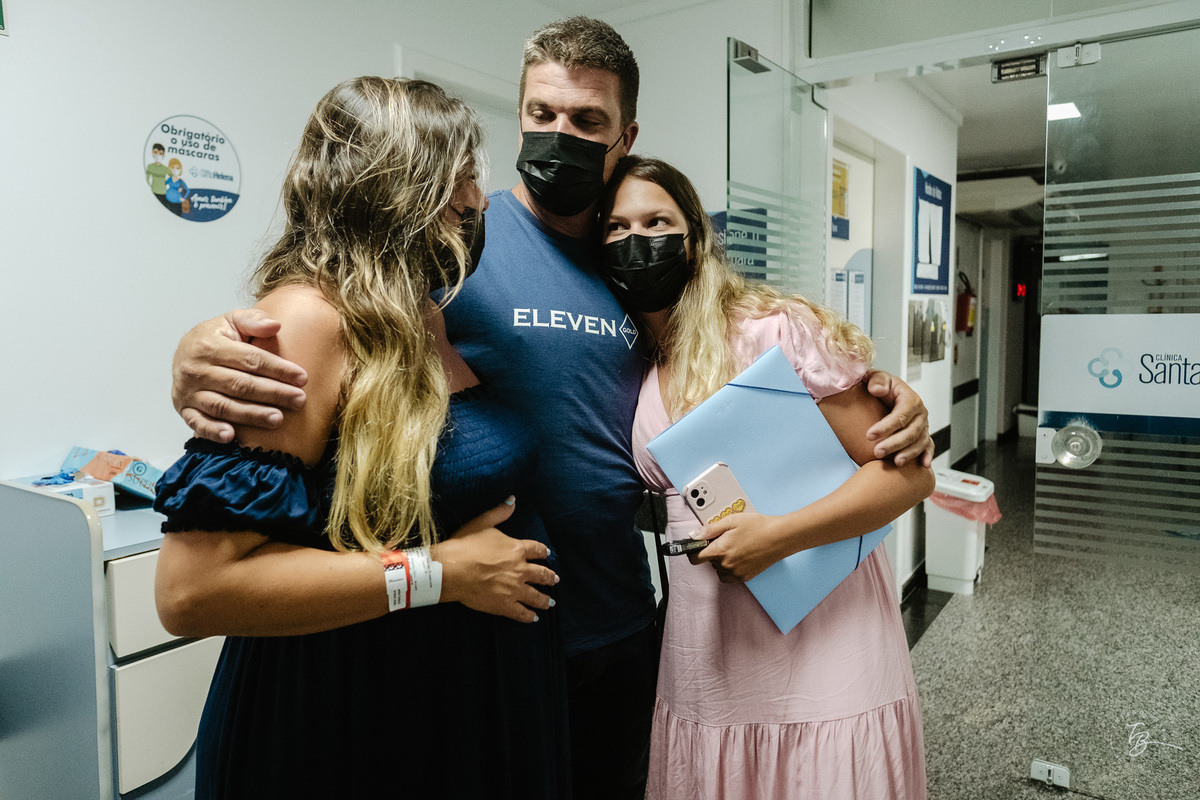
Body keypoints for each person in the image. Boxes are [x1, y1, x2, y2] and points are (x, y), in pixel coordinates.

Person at [164, 18, 934, 799]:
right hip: (458, 630)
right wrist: (201, 347)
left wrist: (884, 393)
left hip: (619, 621)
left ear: (624, 134)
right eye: (542, 115)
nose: (558, 135)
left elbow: (739, 358)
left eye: (588, 120)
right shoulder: (461, 251)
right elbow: (330, 308)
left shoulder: (633, 269)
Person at [153, 76, 569, 799]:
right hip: (349, 716)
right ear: (406, 184)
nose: (477, 201)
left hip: (454, 697)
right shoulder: (306, 325)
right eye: (463, 176)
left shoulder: (425, 311)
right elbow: (195, 591)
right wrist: (441, 572)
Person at [598, 154, 934, 800]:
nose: (635, 241)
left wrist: (777, 536)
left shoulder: (768, 330)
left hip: (824, 643)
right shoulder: (636, 362)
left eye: (655, 221)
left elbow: (907, 480)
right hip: (708, 661)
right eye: (616, 228)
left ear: (693, 238)